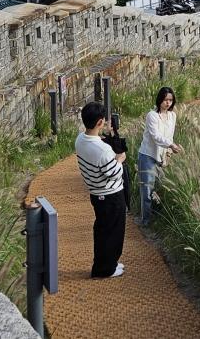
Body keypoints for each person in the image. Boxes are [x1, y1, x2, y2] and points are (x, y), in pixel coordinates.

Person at [75, 102, 127, 278]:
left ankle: (107, 264)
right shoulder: (102, 149)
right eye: (103, 119)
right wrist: (119, 159)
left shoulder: (80, 140)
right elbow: (114, 173)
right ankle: (105, 269)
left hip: (96, 193)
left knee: (103, 230)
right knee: (113, 232)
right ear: (99, 122)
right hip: (111, 195)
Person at [137, 87, 182, 227]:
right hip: (148, 156)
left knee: (161, 189)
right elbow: (156, 137)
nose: (168, 103)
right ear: (159, 99)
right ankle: (146, 222)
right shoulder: (152, 115)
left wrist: (168, 153)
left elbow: (169, 135)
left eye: (170, 100)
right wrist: (171, 145)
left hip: (162, 157)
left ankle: (157, 220)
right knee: (147, 190)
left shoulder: (172, 116)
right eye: (165, 100)